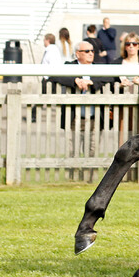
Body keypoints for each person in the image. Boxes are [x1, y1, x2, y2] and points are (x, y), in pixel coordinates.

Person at [48, 41, 113, 182]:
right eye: (87, 51)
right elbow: (54, 76)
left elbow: (110, 77)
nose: (91, 53)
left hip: (94, 118)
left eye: (92, 51)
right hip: (73, 118)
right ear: (78, 54)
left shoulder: (98, 68)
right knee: (73, 150)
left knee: (92, 150)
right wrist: (75, 80)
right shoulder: (69, 67)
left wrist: (92, 82)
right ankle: (73, 178)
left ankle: (90, 179)